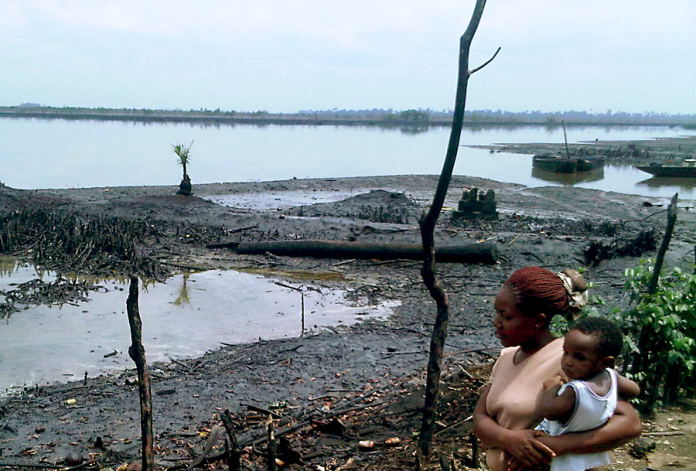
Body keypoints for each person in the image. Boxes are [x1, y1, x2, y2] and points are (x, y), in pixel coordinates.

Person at [472, 267, 642, 471]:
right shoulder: (507, 357)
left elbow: (630, 424)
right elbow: (480, 418)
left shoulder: (570, 361)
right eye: (497, 314)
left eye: (506, 317)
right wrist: (508, 439)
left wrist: (554, 446)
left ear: (538, 320)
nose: (496, 323)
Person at [536, 317, 641, 471]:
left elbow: (549, 411)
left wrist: (550, 387)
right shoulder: (612, 376)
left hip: (562, 453)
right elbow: (634, 390)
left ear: (604, 362)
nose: (568, 361)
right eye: (566, 353)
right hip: (587, 451)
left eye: (579, 357)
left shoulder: (575, 391)